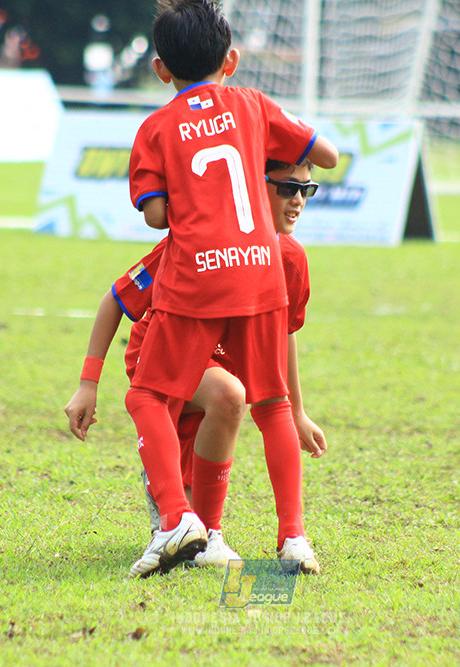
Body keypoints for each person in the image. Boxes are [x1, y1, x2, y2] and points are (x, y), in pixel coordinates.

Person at [122, 0, 338, 578]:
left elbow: (157, 217)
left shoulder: (156, 127)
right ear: (232, 60)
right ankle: (293, 538)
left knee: (145, 396)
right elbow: (327, 156)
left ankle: (176, 517)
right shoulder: (251, 104)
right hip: (261, 268)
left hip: (197, 277)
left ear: (161, 69)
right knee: (273, 406)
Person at [65, 158, 327, 573]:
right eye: (287, 188)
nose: (298, 200)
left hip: (218, 367)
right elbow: (117, 298)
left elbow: (285, 332)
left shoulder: (289, 258)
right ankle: (189, 519)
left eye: (306, 191)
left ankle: (198, 520)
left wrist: (297, 410)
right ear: (254, 186)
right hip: (161, 356)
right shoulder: (199, 242)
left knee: (225, 406)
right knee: (228, 395)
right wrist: (87, 383)